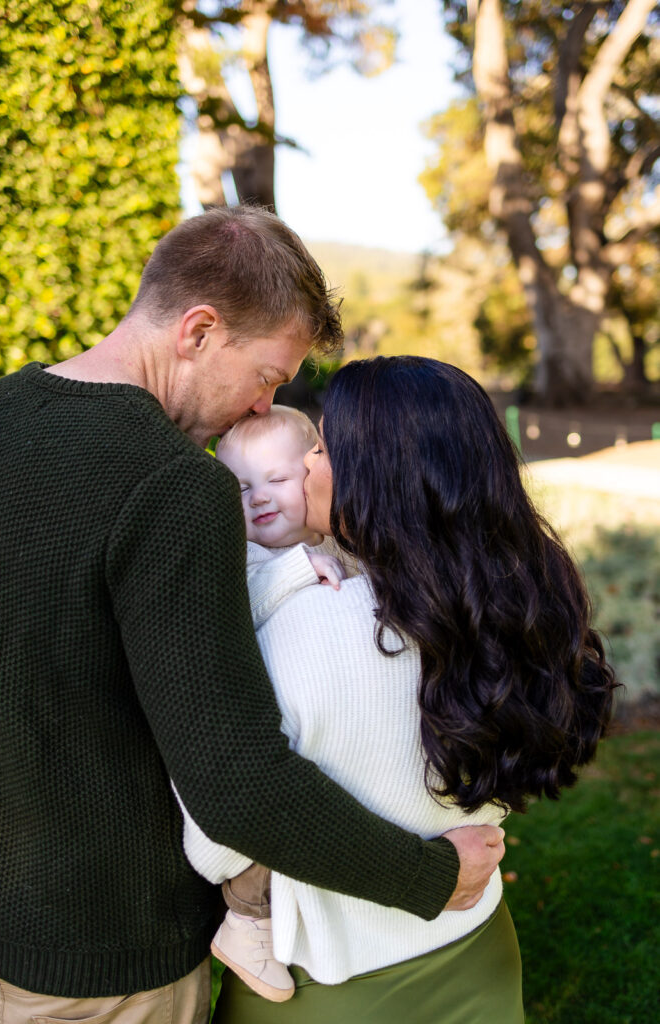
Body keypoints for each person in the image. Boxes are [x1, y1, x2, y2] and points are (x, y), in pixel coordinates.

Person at [0, 208, 504, 1024]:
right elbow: (236, 783)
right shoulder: (176, 488)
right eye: (265, 373)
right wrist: (433, 878)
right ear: (197, 331)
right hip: (107, 964)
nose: (264, 407)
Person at [180, 356, 617, 1024]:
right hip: (477, 945)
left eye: (322, 447)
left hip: (330, 988)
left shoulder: (299, 628)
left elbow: (212, 838)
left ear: (373, 471)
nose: (302, 467)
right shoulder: (509, 608)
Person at [202, 406, 349, 1002]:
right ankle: (245, 919)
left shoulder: (329, 542)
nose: (259, 498)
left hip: (310, 721)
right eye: (240, 487)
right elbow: (249, 599)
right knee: (262, 817)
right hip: (244, 733)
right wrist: (296, 569)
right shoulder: (245, 558)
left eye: (278, 480)